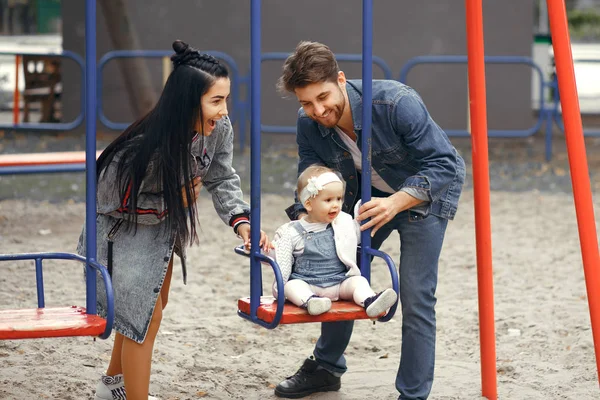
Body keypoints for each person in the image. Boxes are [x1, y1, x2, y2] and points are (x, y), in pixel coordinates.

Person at [77, 40, 271, 400]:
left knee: (149, 308)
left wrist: (242, 221)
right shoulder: (141, 147)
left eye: (226, 99)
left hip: (162, 234)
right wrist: (171, 200)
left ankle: (111, 384)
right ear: (187, 102)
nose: (224, 110)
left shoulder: (217, 131)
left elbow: (222, 177)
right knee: (143, 317)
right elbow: (106, 201)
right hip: (119, 236)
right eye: (216, 101)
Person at [273, 41, 466, 400]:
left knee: (416, 293)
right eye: (306, 102)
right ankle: (326, 368)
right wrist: (299, 227)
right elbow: (311, 182)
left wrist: (396, 202)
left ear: (341, 80)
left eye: (323, 97)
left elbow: (446, 165)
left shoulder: (394, 103)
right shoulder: (309, 125)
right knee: (336, 269)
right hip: (365, 199)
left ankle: (412, 394)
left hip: (424, 192)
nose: (317, 110)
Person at [270, 164, 397, 318]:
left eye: (339, 198)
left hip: (339, 282)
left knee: (359, 281)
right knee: (292, 286)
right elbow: (279, 253)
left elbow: (354, 236)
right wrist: (262, 248)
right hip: (308, 283)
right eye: (328, 200)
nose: (336, 205)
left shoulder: (342, 223)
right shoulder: (292, 231)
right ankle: (311, 301)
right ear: (308, 204)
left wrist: (360, 214)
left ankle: (370, 300)